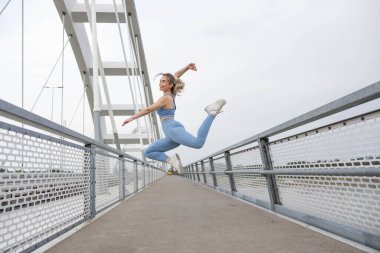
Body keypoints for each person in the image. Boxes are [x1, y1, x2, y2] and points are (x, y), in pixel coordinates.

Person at [121, 63, 226, 174]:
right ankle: (172, 160)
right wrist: (187, 67)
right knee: (148, 152)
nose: (160, 83)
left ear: (170, 84)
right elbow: (176, 74)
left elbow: (148, 110)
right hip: (171, 135)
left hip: (171, 130)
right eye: (160, 81)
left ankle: (211, 113)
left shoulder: (166, 98)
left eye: (164, 81)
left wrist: (132, 118)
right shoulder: (172, 95)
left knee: (198, 143)